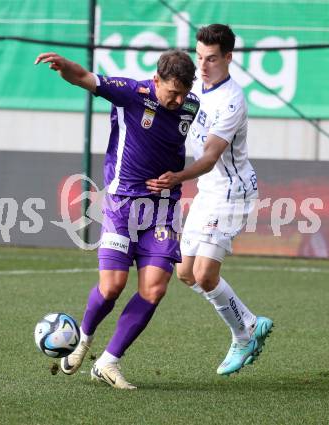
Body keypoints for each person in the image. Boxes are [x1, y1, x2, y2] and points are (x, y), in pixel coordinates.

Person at [35, 50, 199, 389]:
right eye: (172, 92)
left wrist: (178, 176)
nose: (179, 99)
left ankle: (109, 362)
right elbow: (85, 78)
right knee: (112, 287)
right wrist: (65, 67)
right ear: (156, 80)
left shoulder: (191, 105)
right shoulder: (131, 92)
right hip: (122, 206)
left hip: (162, 210)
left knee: (154, 290)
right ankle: (83, 340)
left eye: (184, 92)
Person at [146, 24, 273, 376]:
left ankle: (244, 332)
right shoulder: (193, 87)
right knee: (185, 272)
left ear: (229, 58)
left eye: (212, 59)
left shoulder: (232, 100)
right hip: (208, 190)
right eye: (200, 57)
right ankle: (247, 323)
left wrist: (176, 177)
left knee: (204, 274)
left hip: (232, 191)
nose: (202, 66)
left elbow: (210, 157)